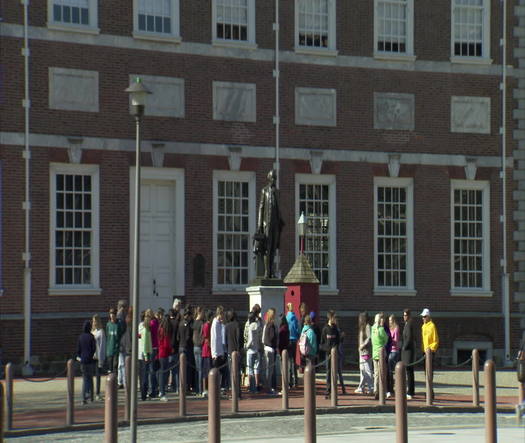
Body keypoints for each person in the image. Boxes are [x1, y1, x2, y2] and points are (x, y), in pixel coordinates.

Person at [255, 169, 285, 278]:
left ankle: (272, 271)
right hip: (266, 224)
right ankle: (267, 272)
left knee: (273, 248)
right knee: (267, 249)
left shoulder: (277, 192)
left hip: (275, 225)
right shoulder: (265, 191)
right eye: (273, 178)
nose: (274, 180)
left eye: (275, 178)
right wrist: (259, 225)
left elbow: (278, 208)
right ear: (269, 178)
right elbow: (261, 208)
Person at [320, 310, 340, 399]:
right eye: (334, 318)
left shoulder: (336, 329)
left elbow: (338, 341)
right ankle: (328, 391)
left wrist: (335, 349)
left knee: (335, 372)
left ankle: (334, 391)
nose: (335, 319)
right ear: (330, 318)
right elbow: (321, 343)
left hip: (335, 354)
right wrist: (328, 350)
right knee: (328, 372)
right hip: (328, 355)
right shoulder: (325, 329)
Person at [421, 308, 439, 401]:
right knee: (426, 372)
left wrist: (431, 350)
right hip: (424, 352)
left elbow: (435, 340)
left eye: (424, 316)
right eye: (422, 317)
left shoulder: (432, 326)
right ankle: (429, 390)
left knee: (429, 372)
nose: (423, 318)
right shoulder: (423, 326)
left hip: (430, 352)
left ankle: (430, 392)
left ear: (428, 316)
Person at [77, 320, 96, 405]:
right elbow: (94, 348)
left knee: (85, 379)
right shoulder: (91, 337)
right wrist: (91, 355)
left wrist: (80, 356)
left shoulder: (80, 337)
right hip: (90, 360)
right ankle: (91, 396)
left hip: (83, 360)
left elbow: (78, 349)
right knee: (90, 379)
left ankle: (83, 397)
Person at [225, 309, 242, 398]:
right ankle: (238, 392)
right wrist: (239, 349)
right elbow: (239, 338)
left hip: (230, 350)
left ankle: (233, 392)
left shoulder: (226, 326)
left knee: (231, 372)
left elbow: (225, 340)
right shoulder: (237, 325)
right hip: (236, 350)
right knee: (237, 372)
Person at [355, 312, 373, 395]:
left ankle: (371, 387)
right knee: (362, 370)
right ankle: (361, 387)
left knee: (368, 370)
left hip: (366, 351)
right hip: (362, 352)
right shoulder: (362, 327)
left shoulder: (367, 326)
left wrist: (362, 345)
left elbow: (369, 338)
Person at [211, 305, 228, 392]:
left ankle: (220, 388)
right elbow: (214, 339)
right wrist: (215, 353)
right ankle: (216, 389)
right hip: (217, 353)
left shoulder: (220, 323)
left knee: (221, 372)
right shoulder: (215, 324)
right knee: (217, 372)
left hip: (220, 351)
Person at [371, 312, 388, 399]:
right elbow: (386, 339)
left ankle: (375, 390)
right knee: (382, 373)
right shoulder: (381, 329)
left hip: (374, 353)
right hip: (381, 353)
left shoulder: (372, 328)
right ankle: (382, 391)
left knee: (376, 373)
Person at [401, 308, 417, 399]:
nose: (404, 317)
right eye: (403, 315)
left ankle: (410, 391)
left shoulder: (409, 324)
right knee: (408, 371)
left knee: (409, 371)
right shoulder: (406, 324)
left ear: (409, 315)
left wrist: (404, 347)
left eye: (406, 315)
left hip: (408, 352)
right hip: (406, 352)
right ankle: (410, 390)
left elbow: (409, 338)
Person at [157, 314, 172, 402]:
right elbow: (166, 344)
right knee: (163, 374)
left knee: (161, 373)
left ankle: (161, 390)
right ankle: (162, 392)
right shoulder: (165, 331)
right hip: (164, 354)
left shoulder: (160, 329)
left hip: (160, 353)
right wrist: (170, 351)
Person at [138, 310, 152, 401]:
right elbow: (145, 343)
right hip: (144, 354)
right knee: (145, 376)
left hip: (139, 354)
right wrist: (146, 356)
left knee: (141, 375)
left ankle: (143, 393)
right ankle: (144, 394)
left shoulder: (139, 327)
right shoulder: (146, 330)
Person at [263, 308, 278, 394]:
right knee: (270, 369)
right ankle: (269, 388)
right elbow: (272, 337)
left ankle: (268, 387)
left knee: (268, 369)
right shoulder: (271, 325)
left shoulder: (266, 324)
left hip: (266, 348)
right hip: (270, 348)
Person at [246, 312, 262, 393]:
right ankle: (257, 386)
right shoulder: (258, 325)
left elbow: (251, 339)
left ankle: (252, 388)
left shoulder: (250, 327)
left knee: (250, 369)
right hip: (257, 349)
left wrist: (246, 346)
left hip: (251, 350)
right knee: (256, 369)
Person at [91, 314, 106, 401]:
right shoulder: (92, 331)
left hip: (98, 356)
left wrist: (102, 358)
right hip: (91, 357)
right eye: (93, 321)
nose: (94, 323)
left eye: (95, 321)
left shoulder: (101, 332)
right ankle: (91, 393)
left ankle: (97, 393)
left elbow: (102, 346)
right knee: (90, 376)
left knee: (98, 376)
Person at [285, 303, 299, 388]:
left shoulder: (286, 318)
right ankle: (295, 381)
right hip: (294, 340)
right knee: (293, 361)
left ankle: (289, 381)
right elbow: (297, 329)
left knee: (289, 361)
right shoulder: (295, 318)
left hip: (288, 340)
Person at [387, 314, 401, 398]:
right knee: (389, 371)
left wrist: (390, 341)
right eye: (389, 321)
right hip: (389, 350)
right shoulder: (389, 328)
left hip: (394, 351)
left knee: (393, 370)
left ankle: (396, 388)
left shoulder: (396, 328)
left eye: (391, 321)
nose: (389, 322)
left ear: (394, 321)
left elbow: (396, 340)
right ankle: (390, 389)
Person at [116, 299, 129, 389]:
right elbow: (121, 330)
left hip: (122, 344)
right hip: (122, 344)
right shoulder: (121, 317)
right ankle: (122, 381)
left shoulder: (121, 316)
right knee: (122, 364)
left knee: (121, 364)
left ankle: (120, 380)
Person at [192, 307, 204, 395]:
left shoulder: (194, 322)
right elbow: (202, 335)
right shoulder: (201, 323)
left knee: (197, 368)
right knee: (200, 369)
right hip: (199, 346)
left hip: (194, 346)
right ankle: (200, 389)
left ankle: (196, 388)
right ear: (200, 313)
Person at [201, 310, 213, 397]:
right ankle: (205, 389)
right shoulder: (206, 325)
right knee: (206, 370)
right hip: (206, 351)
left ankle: (209, 388)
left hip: (208, 350)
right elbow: (206, 338)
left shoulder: (209, 325)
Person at [106, 308, 122, 374]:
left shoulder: (118, 324)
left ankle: (115, 381)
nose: (112, 315)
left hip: (116, 349)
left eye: (113, 314)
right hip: (110, 349)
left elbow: (120, 336)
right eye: (111, 314)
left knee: (115, 366)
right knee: (110, 368)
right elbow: (107, 336)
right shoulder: (108, 325)